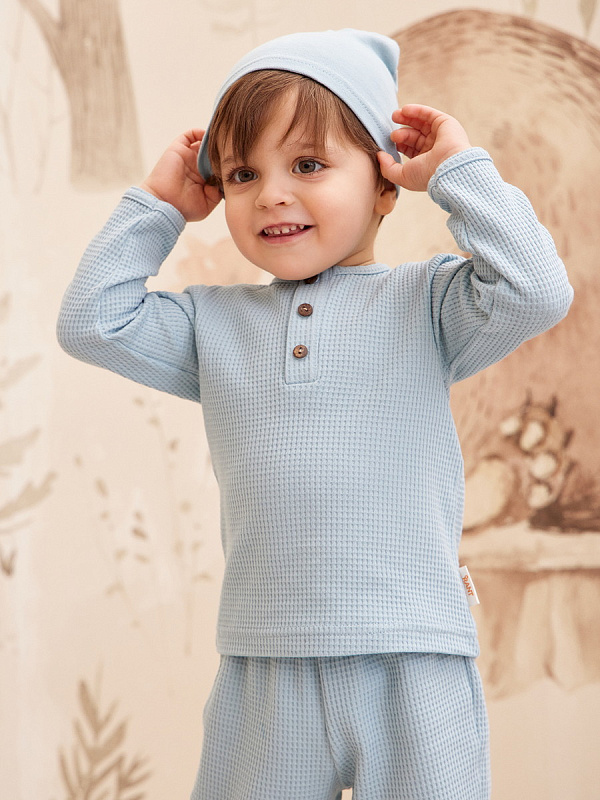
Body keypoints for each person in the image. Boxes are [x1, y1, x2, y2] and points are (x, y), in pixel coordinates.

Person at [57, 28, 573, 800]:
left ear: (386, 184)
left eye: (307, 165)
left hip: (412, 654)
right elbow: (92, 322)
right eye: (242, 173)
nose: (270, 193)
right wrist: (159, 207)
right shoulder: (212, 325)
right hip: (263, 668)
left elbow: (537, 289)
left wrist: (458, 173)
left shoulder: (429, 304)